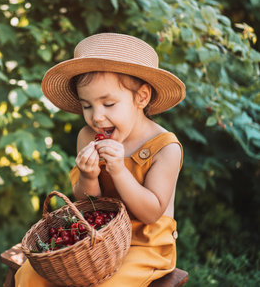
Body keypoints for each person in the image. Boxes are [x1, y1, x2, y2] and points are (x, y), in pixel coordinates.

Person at [15, 33, 186, 286]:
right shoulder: (87, 137)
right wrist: (88, 176)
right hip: (97, 237)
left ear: (142, 97)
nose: (96, 117)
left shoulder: (165, 148)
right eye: (87, 106)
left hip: (144, 245)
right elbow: (87, 204)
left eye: (108, 103)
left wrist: (118, 171)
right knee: (31, 275)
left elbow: (151, 213)